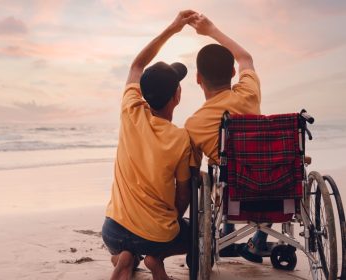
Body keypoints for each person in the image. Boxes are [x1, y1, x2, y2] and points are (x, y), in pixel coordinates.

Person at [102, 10, 197, 280]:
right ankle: (156, 259)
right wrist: (172, 222)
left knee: (125, 243)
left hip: (113, 230)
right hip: (156, 237)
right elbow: (183, 194)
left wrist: (172, 28)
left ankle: (125, 258)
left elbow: (137, 64)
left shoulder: (130, 111)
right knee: (192, 234)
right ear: (176, 97)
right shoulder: (180, 139)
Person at [184, 14, 269, 263]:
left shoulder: (194, 124)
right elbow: (246, 58)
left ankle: (226, 230)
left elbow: (191, 173)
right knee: (262, 163)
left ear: (198, 78)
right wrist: (211, 30)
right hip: (274, 183)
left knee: (217, 167)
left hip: (234, 192)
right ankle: (258, 241)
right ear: (233, 72)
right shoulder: (248, 94)